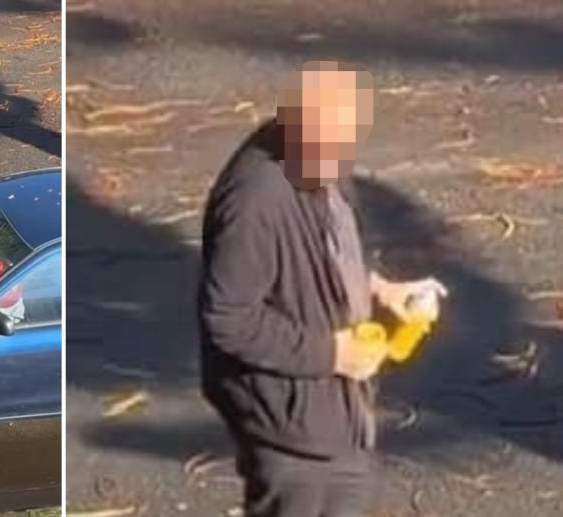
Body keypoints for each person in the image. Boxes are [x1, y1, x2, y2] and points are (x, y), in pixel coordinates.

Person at [198, 61, 447, 517]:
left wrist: (379, 290)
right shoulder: (255, 203)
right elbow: (228, 318)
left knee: (351, 488)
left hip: (336, 412)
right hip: (291, 424)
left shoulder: (319, 159)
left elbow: (329, 248)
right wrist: (331, 354)